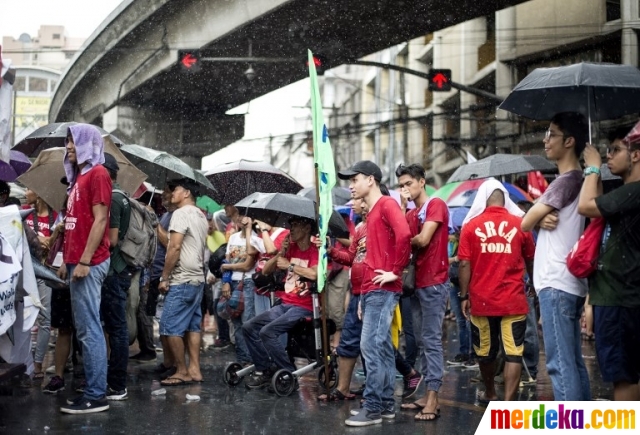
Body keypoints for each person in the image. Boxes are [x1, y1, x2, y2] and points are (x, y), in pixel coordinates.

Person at [521, 112, 590, 401]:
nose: (545, 140)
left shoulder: (566, 181)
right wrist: (539, 217)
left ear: (570, 141)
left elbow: (525, 222)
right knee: (572, 362)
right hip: (568, 283)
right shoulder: (578, 180)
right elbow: (535, 218)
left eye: (551, 134)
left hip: (557, 283)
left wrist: (536, 216)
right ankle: (583, 423)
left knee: (559, 365)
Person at [339, 161, 411, 427]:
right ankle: (385, 406)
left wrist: (396, 270)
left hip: (383, 289)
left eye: (354, 179)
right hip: (371, 290)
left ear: (370, 180)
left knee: (370, 347)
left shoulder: (388, 204)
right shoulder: (372, 214)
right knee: (379, 349)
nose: (351, 185)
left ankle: (372, 408)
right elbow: (364, 256)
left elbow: (405, 234)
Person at [578, 120, 640, 401]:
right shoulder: (626, 193)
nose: (608, 156)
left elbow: (586, 206)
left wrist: (592, 167)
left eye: (615, 150)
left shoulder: (634, 190)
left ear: (635, 154)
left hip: (621, 300)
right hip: (617, 298)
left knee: (625, 378)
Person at [458, 180, 535, 402]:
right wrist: (533, 282)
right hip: (513, 300)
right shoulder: (521, 224)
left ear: (482, 199)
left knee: (484, 352)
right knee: (513, 352)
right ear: (505, 200)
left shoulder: (471, 226)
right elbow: (531, 258)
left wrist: (464, 296)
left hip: (481, 300)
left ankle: (491, 393)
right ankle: (508, 403)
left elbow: (464, 263)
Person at [57, 124, 112, 414]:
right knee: (85, 329)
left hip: (89, 263)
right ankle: (92, 391)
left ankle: (96, 395)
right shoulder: (78, 176)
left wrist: (85, 260)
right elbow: (75, 224)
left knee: (89, 330)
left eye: (73, 140)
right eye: (67, 141)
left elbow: (100, 220)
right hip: (76, 262)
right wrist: (68, 261)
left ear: (87, 143)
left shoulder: (99, 173)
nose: (68, 146)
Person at [396, 163, 449, 421]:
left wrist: (406, 237)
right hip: (416, 283)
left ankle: (434, 397)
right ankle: (427, 394)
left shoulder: (435, 205)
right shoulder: (411, 211)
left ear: (421, 181)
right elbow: (403, 235)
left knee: (431, 340)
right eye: (401, 185)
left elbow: (421, 239)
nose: (405, 188)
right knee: (420, 340)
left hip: (434, 282)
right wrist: (404, 210)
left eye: (408, 183)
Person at [242, 217, 318, 389]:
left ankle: (288, 373)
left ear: (307, 228)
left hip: (305, 306)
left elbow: (315, 275)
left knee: (267, 332)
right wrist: (279, 254)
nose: (291, 229)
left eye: (296, 225)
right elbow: (265, 271)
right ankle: (265, 369)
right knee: (248, 327)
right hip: (285, 303)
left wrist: (290, 266)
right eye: (290, 225)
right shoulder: (289, 248)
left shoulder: (315, 251)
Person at [158, 178, 208, 386]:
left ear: (186, 192)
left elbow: (175, 248)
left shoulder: (179, 214)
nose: (171, 193)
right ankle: (195, 369)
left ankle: (181, 370)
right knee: (193, 326)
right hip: (197, 277)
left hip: (182, 278)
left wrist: (165, 276)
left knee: (168, 326)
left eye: (175, 190)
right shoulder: (200, 215)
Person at [100, 153, 132, 401]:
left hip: (112, 270)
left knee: (116, 329)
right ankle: (111, 380)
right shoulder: (121, 196)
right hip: (119, 270)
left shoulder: (112, 198)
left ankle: (117, 383)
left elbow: (111, 240)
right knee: (113, 327)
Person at [220, 213, 264, 365]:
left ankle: (254, 360)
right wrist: (225, 281)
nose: (240, 219)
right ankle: (243, 359)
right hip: (232, 283)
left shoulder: (255, 239)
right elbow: (226, 258)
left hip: (248, 282)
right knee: (236, 323)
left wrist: (227, 266)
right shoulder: (233, 237)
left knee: (247, 322)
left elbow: (248, 265)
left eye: (244, 216)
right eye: (238, 216)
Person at [23, 188, 57, 380]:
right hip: (26, 271)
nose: (27, 191)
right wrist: (37, 240)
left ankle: (37, 364)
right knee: (23, 319)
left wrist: (50, 239)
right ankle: (23, 360)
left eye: (30, 189)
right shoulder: (24, 211)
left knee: (44, 319)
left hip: (46, 272)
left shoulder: (56, 217)